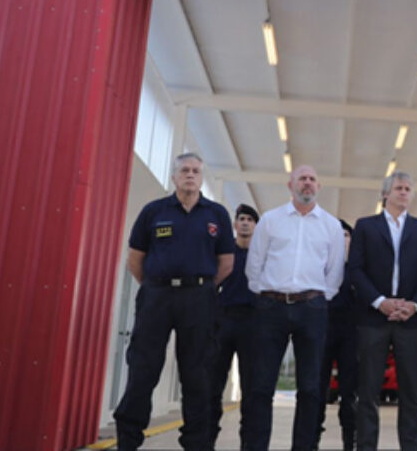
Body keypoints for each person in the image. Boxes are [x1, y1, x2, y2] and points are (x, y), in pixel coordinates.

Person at [114, 152, 236, 451]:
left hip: (199, 299)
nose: (190, 175)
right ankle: (128, 441)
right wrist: (158, 286)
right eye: (184, 170)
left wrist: (201, 288)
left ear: (202, 177)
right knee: (143, 368)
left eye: (195, 170)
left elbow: (226, 263)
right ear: (174, 177)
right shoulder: (153, 211)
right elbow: (135, 259)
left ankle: (196, 443)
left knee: (197, 373)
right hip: (157, 297)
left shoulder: (216, 214)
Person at [245, 165, 347, 451]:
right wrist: (264, 292)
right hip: (271, 306)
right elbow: (255, 263)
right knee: (261, 384)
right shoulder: (270, 220)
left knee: (311, 387)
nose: (307, 184)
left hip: (311, 308)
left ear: (319, 187)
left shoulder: (331, 225)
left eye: (313, 179)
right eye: (302, 179)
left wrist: (319, 297)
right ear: (290, 185)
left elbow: (334, 271)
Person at [347, 171, 417, 451]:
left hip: (410, 321)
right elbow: (355, 269)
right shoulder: (365, 226)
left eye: (408, 188)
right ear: (385, 194)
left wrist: (412, 305)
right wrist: (379, 301)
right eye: (398, 188)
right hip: (374, 318)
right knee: (368, 391)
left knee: (411, 393)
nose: (404, 192)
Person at [210, 203, 260, 451]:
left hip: (252, 323)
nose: (245, 223)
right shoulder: (223, 251)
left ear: (256, 226)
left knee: (251, 389)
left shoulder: (263, 255)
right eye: (241, 218)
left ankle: (248, 444)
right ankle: (206, 440)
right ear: (234, 224)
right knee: (213, 384)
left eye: (250, 219)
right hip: (223, 320)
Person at [315, 220, 359, 451]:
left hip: (351, 335)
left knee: (349, 393)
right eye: (338, 234)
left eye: (346, 234)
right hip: (323, 331)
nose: (342, 238)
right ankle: (312, 440)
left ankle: (350, 442)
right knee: (317, 389)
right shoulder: (321, 266)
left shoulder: (358, 269)